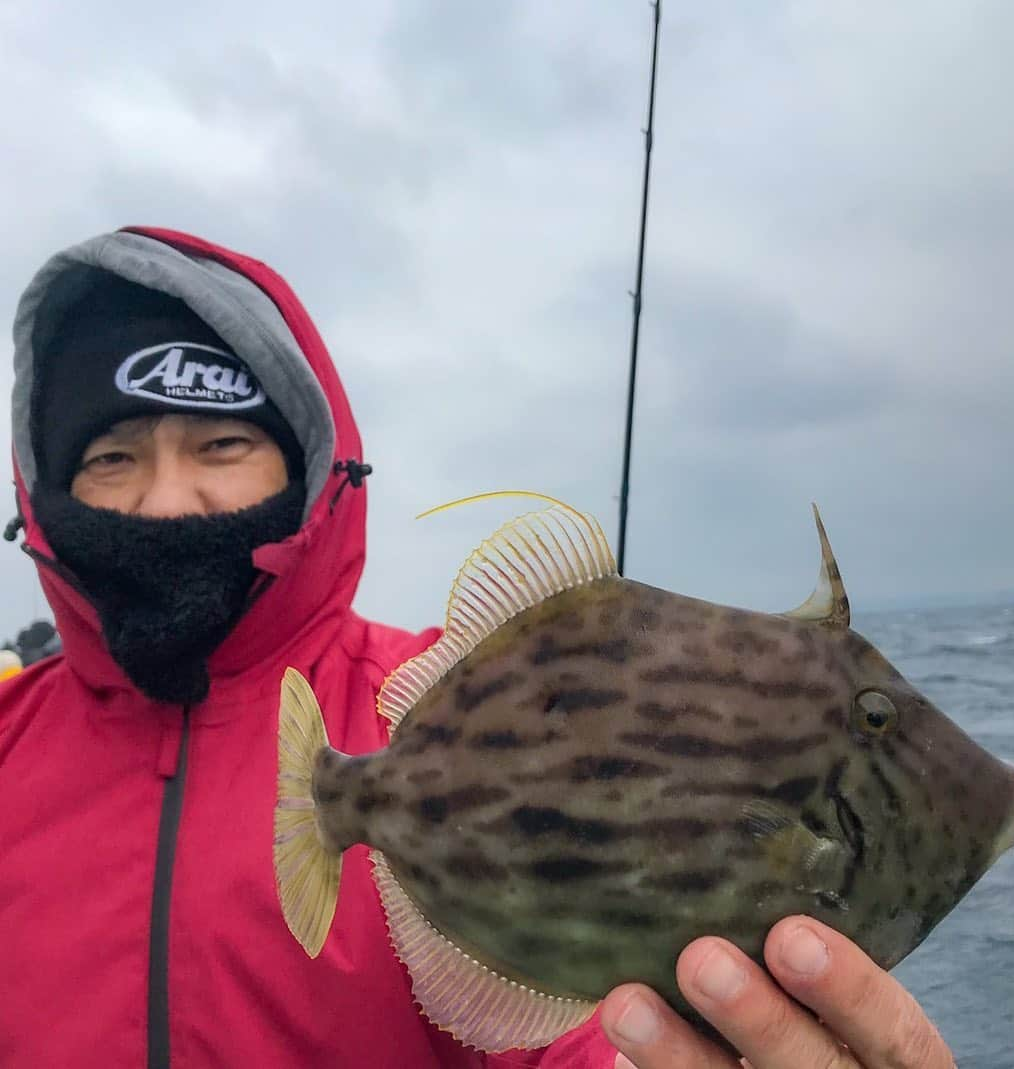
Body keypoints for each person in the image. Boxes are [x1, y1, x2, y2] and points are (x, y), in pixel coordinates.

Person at [0, 227, 956, 1069]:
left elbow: (580, 1030)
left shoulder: (447, 701)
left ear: (311, 468)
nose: (168, 501)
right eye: (111, 456)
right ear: (44, 494)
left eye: (220, 446)